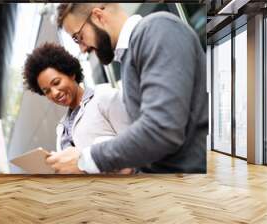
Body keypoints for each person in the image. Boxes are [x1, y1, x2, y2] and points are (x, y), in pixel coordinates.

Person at [46, 3, 208, 174]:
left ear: (99, 17)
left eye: (78, 37)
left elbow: (162, 130)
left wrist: (85, 159)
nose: (83, 48)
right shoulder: (131, 56)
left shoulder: (157, 29)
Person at [23, 43, 132, 173]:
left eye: (56, 82)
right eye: (47, 91)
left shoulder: (105, 97)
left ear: (71, 74)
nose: (55, 93)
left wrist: (83, 164)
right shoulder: (61, 128)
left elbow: (136, 152)